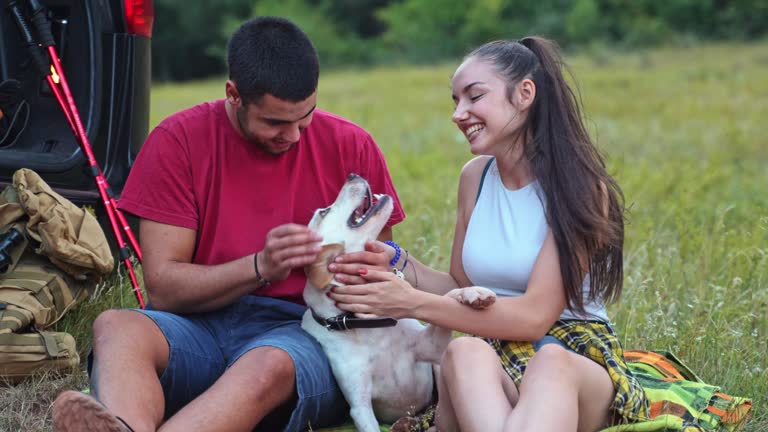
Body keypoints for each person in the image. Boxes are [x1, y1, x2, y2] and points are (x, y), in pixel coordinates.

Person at [51, 16, 405, 432]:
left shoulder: (351, 144)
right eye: (274, 122)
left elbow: (377, 279)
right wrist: (261, 267)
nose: (292, 135)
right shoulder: (178, 140)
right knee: (116, 325)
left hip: (304, 335)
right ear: (233, 95)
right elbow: (164, 289)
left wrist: (342, 272)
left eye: (304, 116)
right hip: (195, 328)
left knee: (267, 362)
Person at [328, 37, 650, 431]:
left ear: (525, 94)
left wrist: (409, 303)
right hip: (496, 355)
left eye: (474, 96)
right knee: (463, 351)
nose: (459, 114)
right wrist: (398, 263)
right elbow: (461, 286)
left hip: (572, 357)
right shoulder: (475, 178)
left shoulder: (579, 188)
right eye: (455, 101)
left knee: (548, 362)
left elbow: (535, 318)